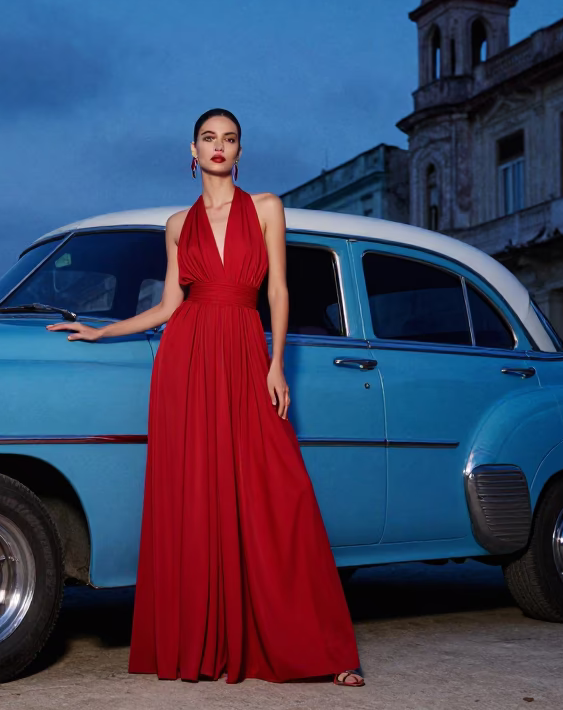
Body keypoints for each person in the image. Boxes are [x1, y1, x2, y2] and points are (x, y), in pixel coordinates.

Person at [47, 108, 364, 686]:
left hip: (245, 351)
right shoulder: (177, 224)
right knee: (194, 495)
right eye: (209, 138)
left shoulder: (266, 207)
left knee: (281, 491)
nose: (219, 146)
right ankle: (201, 643)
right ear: (192, 151)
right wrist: (100, 331)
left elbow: (279, 291)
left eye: (230, 139)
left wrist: (276, 363)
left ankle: (321, 650)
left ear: (240, 151)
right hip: (186, 362)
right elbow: (169, 307)